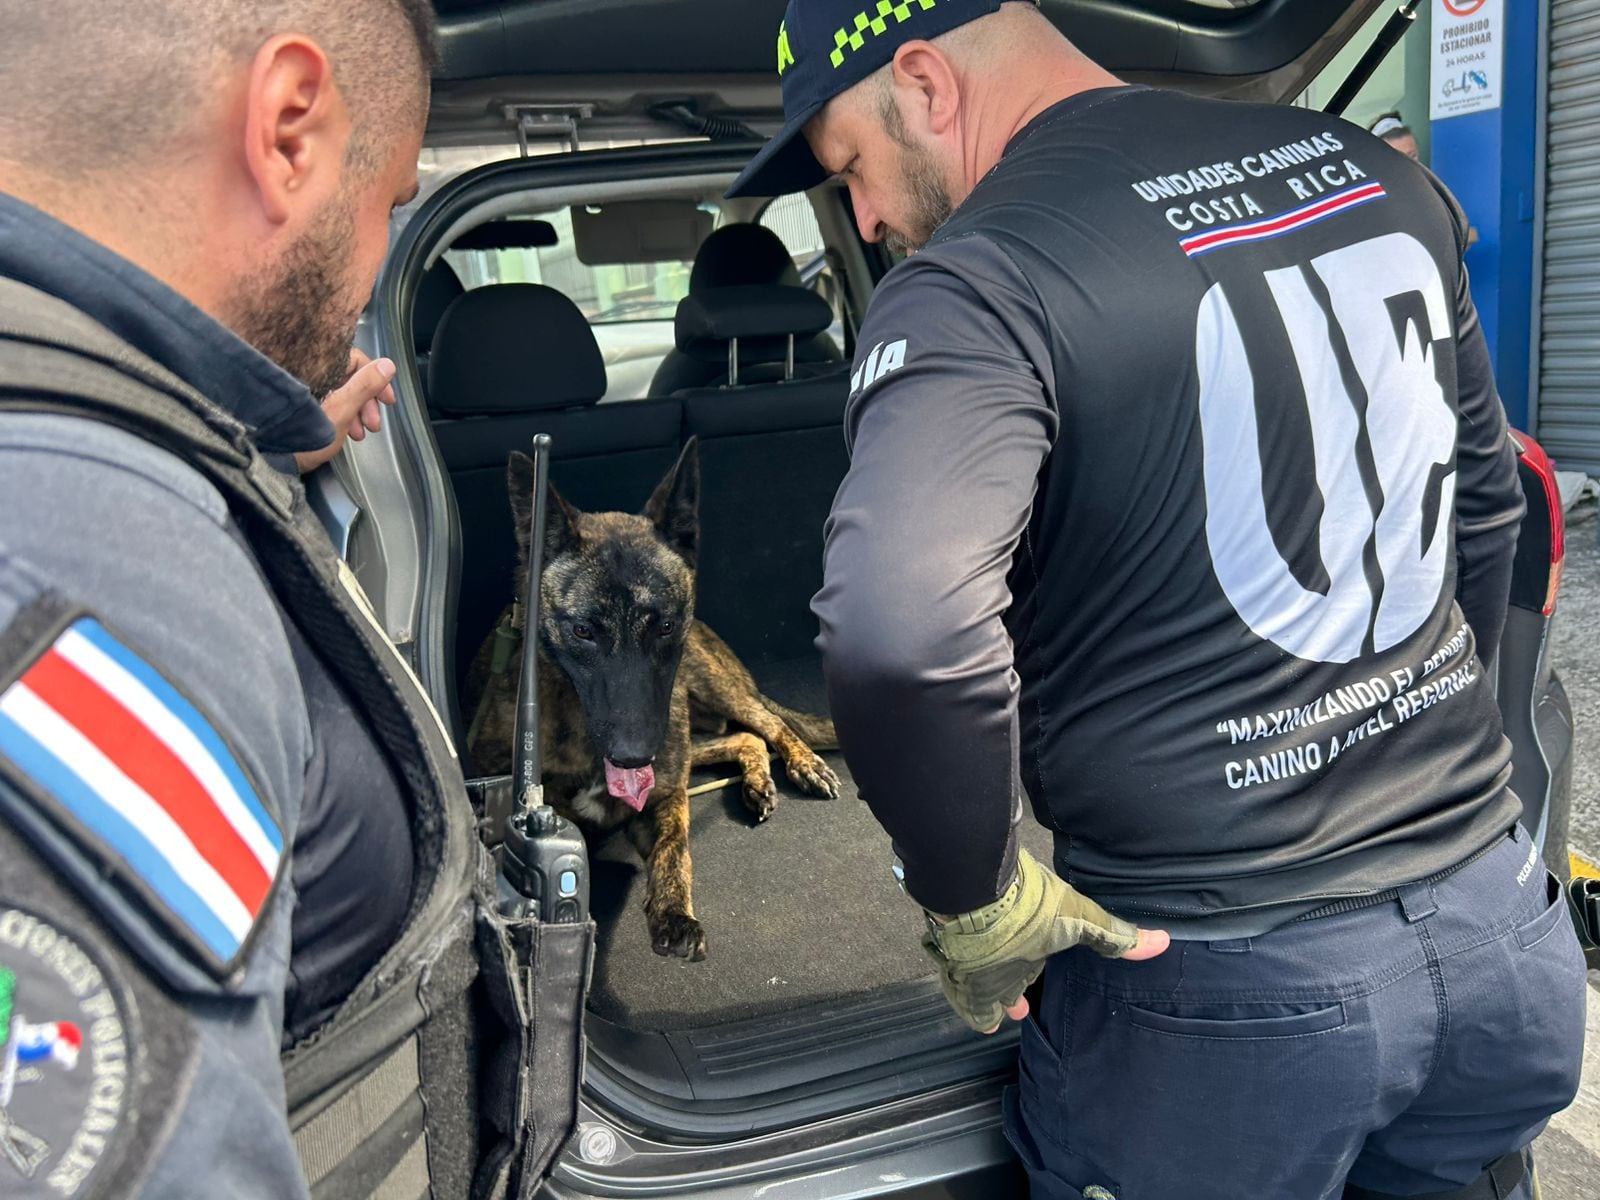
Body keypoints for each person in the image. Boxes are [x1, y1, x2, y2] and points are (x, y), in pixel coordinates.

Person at [728, 1, 1590, 1196]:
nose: (864, 218)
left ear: (924, 81)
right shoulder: (1372, 174)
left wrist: (974, 900)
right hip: (1498, 938)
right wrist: (1436, 778)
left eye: (850, 169)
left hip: (1224, 1014)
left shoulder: (982, 274)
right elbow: (1487, 510)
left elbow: (902, 634)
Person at [0, 5, 555, 1198]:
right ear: (290, 131)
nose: (376, 266)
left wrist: (255, 460)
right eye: (392, 202)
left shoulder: (89, 440)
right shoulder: (93, 555)